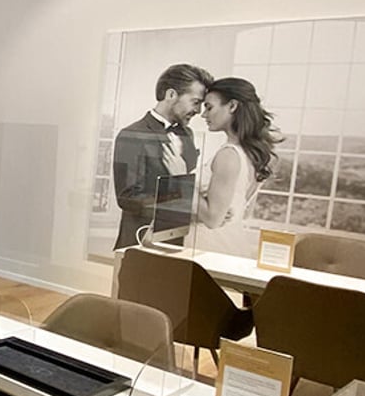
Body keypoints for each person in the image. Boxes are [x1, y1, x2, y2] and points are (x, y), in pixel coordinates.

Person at [112, 63, 213, 249]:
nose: (199, 111)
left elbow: (188, 180)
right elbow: (127, 199)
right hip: (140, 242)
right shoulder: (132, 134)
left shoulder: (188, 134)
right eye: (195, 102)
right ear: (171, 95)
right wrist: (181, 193)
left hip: (180, 241)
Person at [188, 77, 280, 256]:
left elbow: (213, 219)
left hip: (210, 249)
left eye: (209, 107)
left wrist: (184, 185)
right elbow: (238, 211)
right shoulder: (249, 153)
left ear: (232, 106)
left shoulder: (229, 155)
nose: (203, 115)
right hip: (230, 243)